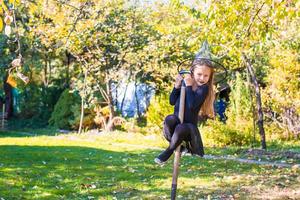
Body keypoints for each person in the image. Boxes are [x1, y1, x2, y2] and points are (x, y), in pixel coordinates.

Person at [154, 59, 215, 164]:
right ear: (192, 73)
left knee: (181, 127)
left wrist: (189, 86)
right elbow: (172, 101)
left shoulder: (203, 89)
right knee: (170, 119)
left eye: (206, 76)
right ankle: (179, 147)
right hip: (177, 123)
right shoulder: (184, 83)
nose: (202, 78)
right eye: (199, 74)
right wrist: (176, 86)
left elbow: (192, 105)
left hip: (188, 129)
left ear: (209, 77)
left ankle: (168, 152)